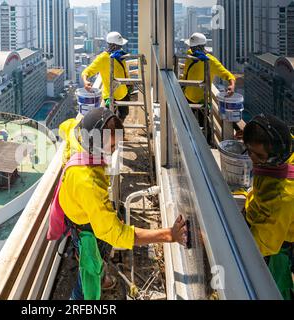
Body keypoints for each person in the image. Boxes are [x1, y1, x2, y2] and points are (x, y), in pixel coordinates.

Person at [58, 108, 188, 300]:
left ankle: (101, 276)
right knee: (86, 279)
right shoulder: (88, 181)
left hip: (78, 213)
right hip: (86, 227)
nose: (115, 150)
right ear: (93, 145)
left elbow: (65, 126)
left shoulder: (77, 134)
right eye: (111, 147)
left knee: (92, 260)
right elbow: (116, 234)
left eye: (116, 143)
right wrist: (168, 235)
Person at [243, 114, 294, 300]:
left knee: (276, 288)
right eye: (249, 151)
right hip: (266, 218)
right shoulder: (286, 146)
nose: (252, 158)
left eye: (259, 155)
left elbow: (263, 245)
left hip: (279, 244)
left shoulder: (281, 196)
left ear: (275, 156)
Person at [82, 32, 132, 122]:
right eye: (119, 45)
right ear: (113, 45)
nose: (121, 47)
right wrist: (85, 81)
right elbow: (87, 71)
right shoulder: (103, 58)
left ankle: (119, 131)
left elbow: (124, 71)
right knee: (110, 118)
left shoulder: (120, 56)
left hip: (123, 92)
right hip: (109, 96)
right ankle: (115, 134)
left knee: (123, 114)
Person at [183, 32, 236, 103]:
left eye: (193, 47)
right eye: (191, 47)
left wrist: (232, 85)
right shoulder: (190, 53)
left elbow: (228, 75)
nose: (191, 48)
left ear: (200, 47)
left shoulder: (211, 61)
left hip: (201, 102)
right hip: (186, 96)